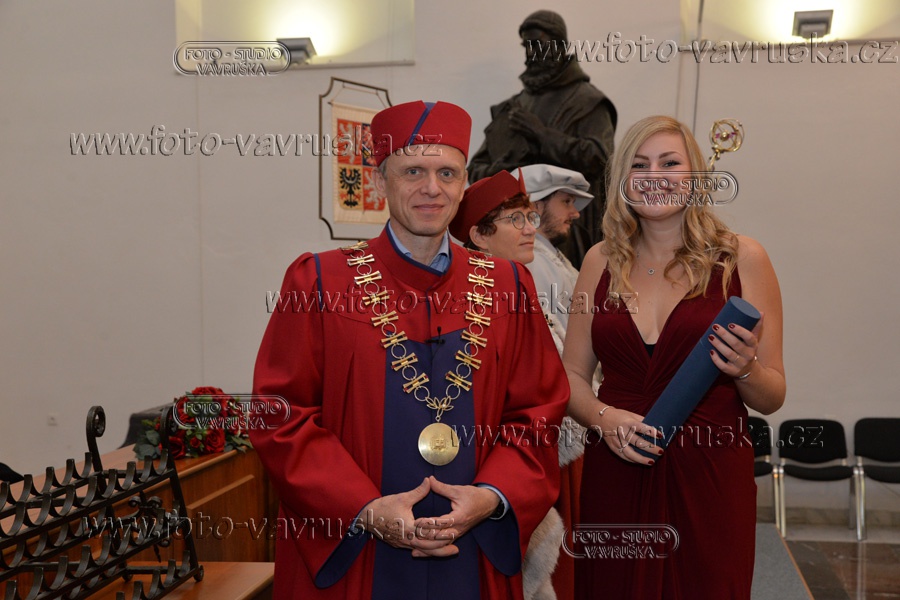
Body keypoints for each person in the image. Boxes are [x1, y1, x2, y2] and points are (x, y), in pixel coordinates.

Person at [251, 100, 569, 600]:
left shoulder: (508, 285)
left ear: (463, 185)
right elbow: (281, 416)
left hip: (473, 550)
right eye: (412, 171)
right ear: (381, 181)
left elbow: (538, 411)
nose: (431, 188)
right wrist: (365, 508)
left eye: (447, 173)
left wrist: (492, 496)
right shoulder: (319, 282)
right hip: (360, 553)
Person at [563, 116, 785, 599]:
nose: (654, 176)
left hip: (710, 470)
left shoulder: (743, 259)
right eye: (639, 165)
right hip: (616, 463)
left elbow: (772, 396)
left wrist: (745, 368)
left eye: (669, 163)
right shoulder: (599, 261)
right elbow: (572, 376)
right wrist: (604, 419)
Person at [449, 170, 562, 600]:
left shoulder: (523, 285)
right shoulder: (473, 300)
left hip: (539, 460)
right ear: (479, 235)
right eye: (516, 219)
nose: (531, 228)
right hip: (495, 474)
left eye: (531, 217)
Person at [468, 10, 617, 268]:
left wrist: (542, 134)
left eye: (538, 44)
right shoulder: (513, 107)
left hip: (569, 232)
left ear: (559, 45)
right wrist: (508, 170)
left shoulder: (588, 101)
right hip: (510, 236)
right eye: (526, 46)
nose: (531, 53)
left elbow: (600, 159)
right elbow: (475, 169)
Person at [519, 163, 593, 600]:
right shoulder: (534, 262)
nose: (575, 212)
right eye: (566, 201)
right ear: (536, 205)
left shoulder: (550, 255)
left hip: (574, 412)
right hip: (557, 417)